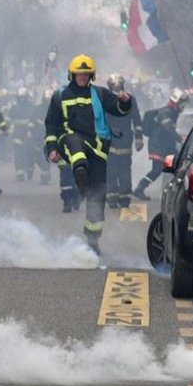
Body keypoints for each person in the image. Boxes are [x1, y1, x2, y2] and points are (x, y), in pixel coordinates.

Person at [44, 54, 133, 254]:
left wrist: (125, 102)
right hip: (70, 141)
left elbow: (119, 109)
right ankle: (80, 175)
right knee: (76, 146)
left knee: (98, 195)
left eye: (85, 74)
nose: (82, 77)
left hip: (98, 148)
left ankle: (93, 239)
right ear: (72, 75)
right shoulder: (60, 96)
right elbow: (51, 124)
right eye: (79, 74)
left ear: (90, 75)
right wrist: (50, 149)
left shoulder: (100, 94)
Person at [133, 89, 187, 201]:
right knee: (158, 169)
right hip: (159, 146)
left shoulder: (172, 112)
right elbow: (168, 128)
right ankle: (140, 188)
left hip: (166, 146)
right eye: (182, 103)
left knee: (174, 166)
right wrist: (180, 139)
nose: (183, 106)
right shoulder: (166, 112)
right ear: (177, 102)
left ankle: (170, 191)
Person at [104, 74, 144, 209]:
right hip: (112, 140)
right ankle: (113, 198)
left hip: (123, 140)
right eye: (114, 86)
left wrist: (139, 137)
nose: (116, 88)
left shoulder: (129, 99)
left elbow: (137, 119)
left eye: (118, 85)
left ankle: (123, 198)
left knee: (123, 170)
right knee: (112, 171)